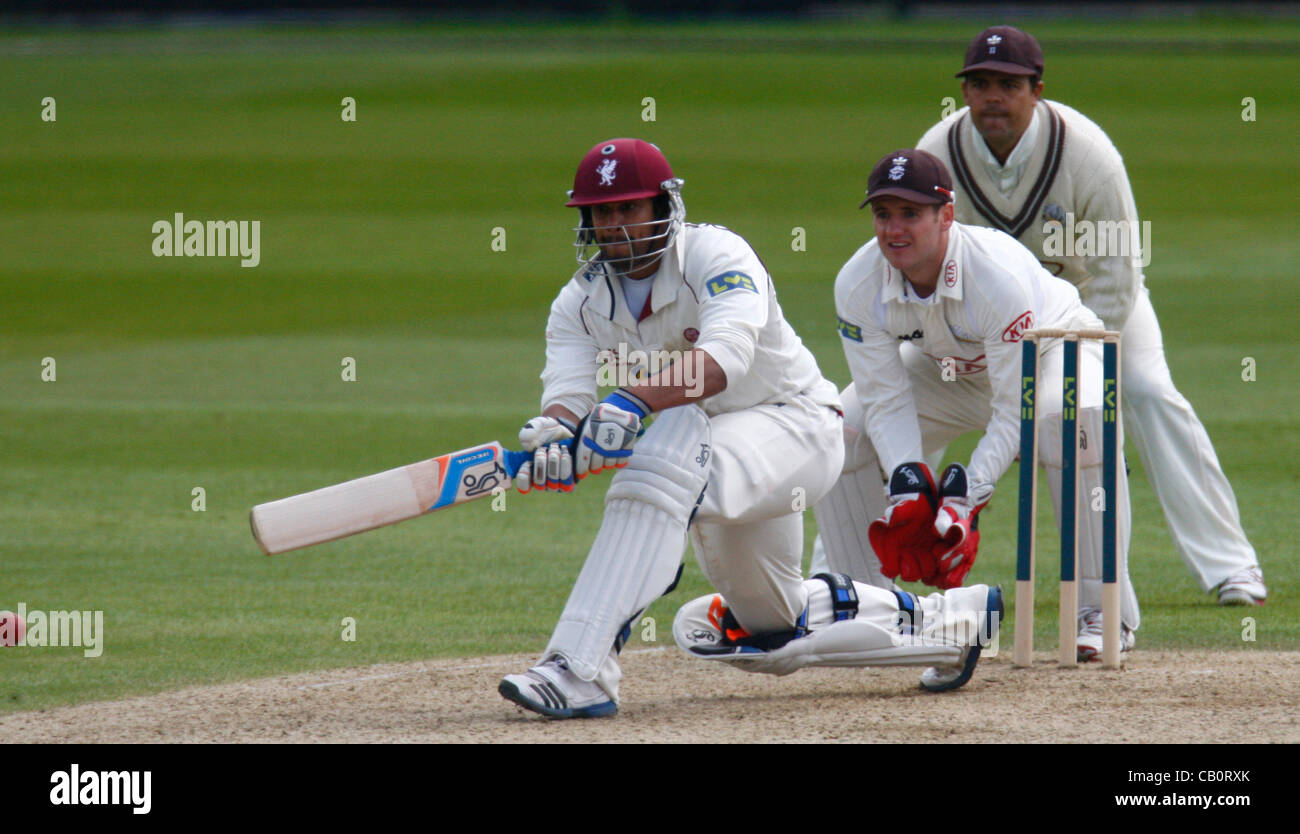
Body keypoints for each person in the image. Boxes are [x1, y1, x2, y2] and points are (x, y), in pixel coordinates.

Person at [498, 138, 1002, 719]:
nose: (616, 227)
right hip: (714, 461)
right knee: (772, 629)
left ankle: (578, 667)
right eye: (602, 213)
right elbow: (566, 398)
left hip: (797, 430)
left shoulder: (717, 254)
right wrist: (556, 438)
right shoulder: (578, 303)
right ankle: (952, 621)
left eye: (629, 209)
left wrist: (631, 402)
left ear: (664, 207)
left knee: (666, 447)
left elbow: (724, 360)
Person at [914, 25, 1265, 606]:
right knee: (908, 389)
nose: (992, 97)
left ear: (1037, 90)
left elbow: (1116, 279)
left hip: (1089, 309)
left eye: (1008, 84)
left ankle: (1232, 567)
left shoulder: (1088, 153)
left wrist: (1060, 373)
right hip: (980, 323)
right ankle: (885, 562)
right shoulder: (939, 153)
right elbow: (925, 260)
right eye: (980, 84)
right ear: (966, 92)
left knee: (1150, 392)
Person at [811, 148, 1139, 661]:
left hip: (1055, 351)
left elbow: (1015, 407)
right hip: (948, 369)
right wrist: (909, 485)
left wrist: (968, 495)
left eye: (911, 214)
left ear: (946, 215)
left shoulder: (995, 277)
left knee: (1078, 423)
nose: (894, 230)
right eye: (883, 214)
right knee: (842, 429)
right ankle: (860, 608)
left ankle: (1101, 610)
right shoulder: (857, 283)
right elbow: (884, 396)